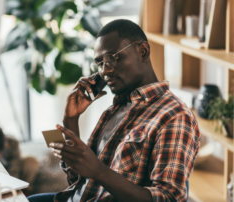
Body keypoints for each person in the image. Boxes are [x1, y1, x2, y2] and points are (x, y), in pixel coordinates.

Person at [28, 19, 201, 202]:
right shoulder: (115, 110)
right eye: (100, 63)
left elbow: (168, 198)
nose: (105, 71)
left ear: (143, 51)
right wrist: (71, 119)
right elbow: (80, 181)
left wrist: (98, 170)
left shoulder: (174, 116)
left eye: (112, 58)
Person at [0, 123, 39, 195]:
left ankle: (26, 191)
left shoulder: (12, 143)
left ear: (5, 145)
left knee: (31, 161)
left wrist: (11, 187)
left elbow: (15, 170)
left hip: (10, 171)